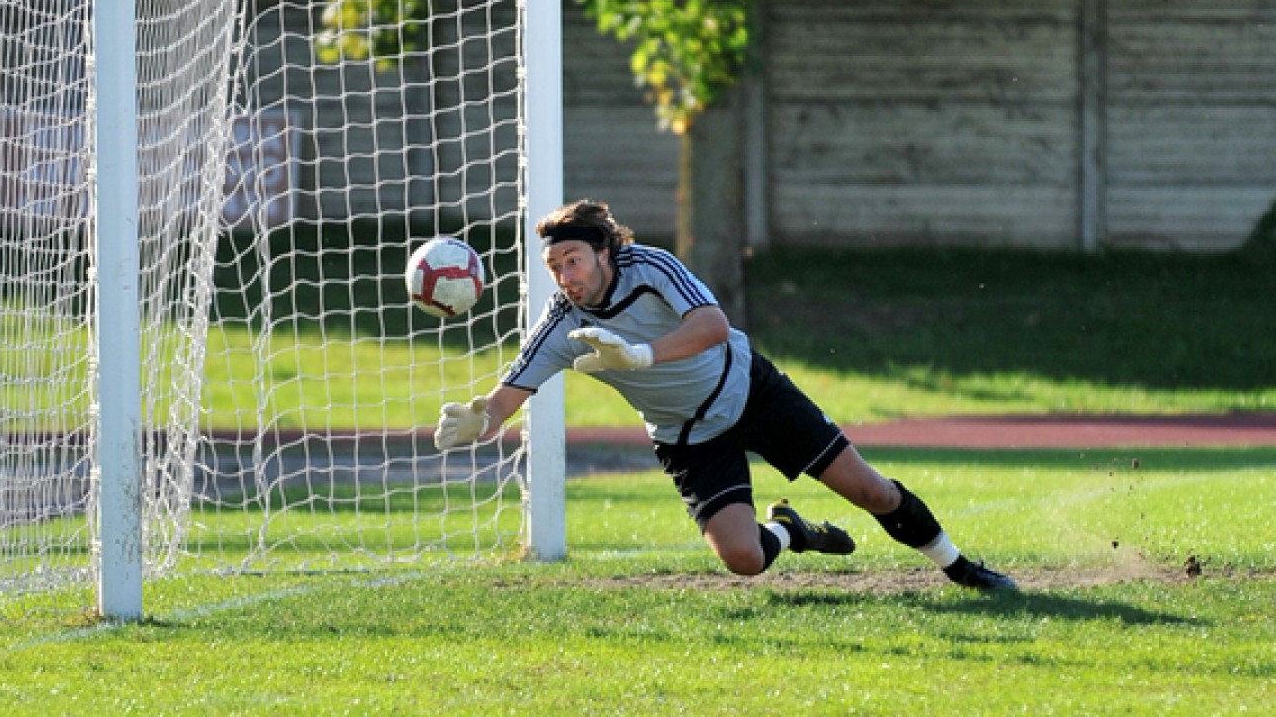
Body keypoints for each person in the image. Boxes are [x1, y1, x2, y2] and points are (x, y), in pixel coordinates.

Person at [434, 199, 1016, 591]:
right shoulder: (558, 325)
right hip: (688, 435)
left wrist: (643, 355)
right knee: (744, 560)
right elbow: (508, 397)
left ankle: (960, 568)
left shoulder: (652, 267)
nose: (565, 276)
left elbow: (713, 324)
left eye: (573, 260)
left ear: (604, 253)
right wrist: (478, 419)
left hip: (750, 391)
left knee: (871, 490)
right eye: (555, 266)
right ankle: (792, 531)